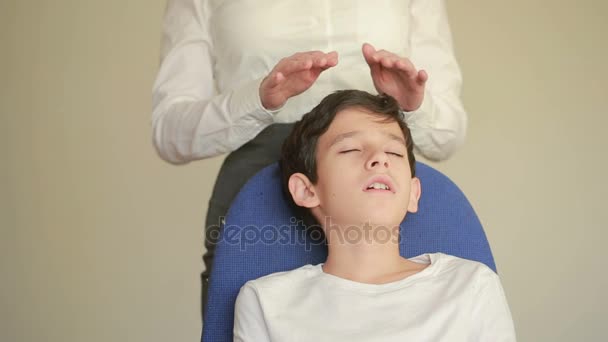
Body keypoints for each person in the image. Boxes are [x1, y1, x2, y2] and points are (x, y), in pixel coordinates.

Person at [151, 0, 469, 317]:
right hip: (258, 207)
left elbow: (447, 135)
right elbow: (169, 131)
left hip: (382, 208)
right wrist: (257, 101)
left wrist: (412, 105)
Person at [233, 90, 515, 341]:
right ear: (306, 190)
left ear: (413, 194)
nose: (380, 159)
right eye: (351, 149)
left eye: (394, 151)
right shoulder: (267, 303)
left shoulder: (469, 285)